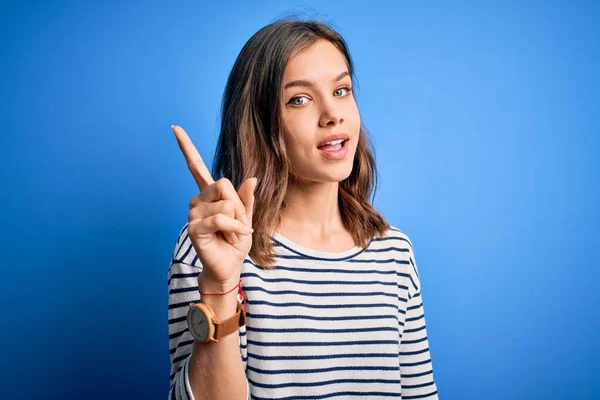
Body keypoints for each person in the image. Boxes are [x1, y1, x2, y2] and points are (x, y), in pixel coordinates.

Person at [167, 18, 438, 400]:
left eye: (341, 90)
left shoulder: (394, 253)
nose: (332, 114)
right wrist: (220, 285)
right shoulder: (209, 249)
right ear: (260, 124)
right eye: (299, 99)